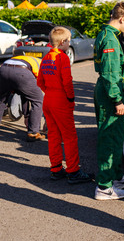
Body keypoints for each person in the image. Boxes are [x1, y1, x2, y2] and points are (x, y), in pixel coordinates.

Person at [37, 26, 93, 184]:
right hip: (61, 100)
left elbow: (39, 81)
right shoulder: (62, 58)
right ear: (62, 42)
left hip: (48, 99)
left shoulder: (46, 57)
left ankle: (55, 168)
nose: (69, 43)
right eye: (68, 40)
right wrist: (70, 98)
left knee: (53, 135)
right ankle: (73, 171)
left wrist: (49, 91)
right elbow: (67, 81)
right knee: (69, 137)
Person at [94, 2, 124, 200]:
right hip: (109, 94)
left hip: (110, 91)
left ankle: (115, 176)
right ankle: (104, 186)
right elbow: (110, 74)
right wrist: (118, 100)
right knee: (109, 140)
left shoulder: (106, 34)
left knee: (116, 136)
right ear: (122, 19)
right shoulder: (110, 40)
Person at [0, 55, 45, 141]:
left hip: (4, 69)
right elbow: (33, 90)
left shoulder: (27, 59)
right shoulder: (42, 65)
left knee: (0, 100)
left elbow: (24, 94)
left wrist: (26, 116)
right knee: (38, 100)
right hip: (22, 72)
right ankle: (33, 133)